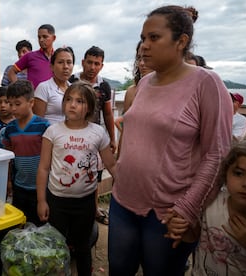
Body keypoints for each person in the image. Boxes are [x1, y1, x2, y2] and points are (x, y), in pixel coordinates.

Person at [108, 5, 233, 275]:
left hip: (168, 212)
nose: (144, 46)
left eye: (154, 38)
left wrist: (188, 209)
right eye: (143, 39)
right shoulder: (143, 83)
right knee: (119, 269)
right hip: (123, 200)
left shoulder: (207, 83)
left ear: (181, 41)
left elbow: (218, 153)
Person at [36, 81, 116, 275]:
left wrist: (126, 187)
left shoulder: (97, 132)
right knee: (56, 245)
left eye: (79, 101)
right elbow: (44, 168)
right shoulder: (53, 131)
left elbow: (111, 165)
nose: (72, 104)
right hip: (57, 201)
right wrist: (41, 201)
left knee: (83, 246)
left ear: (89, 107)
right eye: (68, 100)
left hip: (85, 203)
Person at [165, 136, 246, 275]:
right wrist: (181, 229)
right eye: (239, 173)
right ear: (225, 173)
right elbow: (194, 235)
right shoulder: (212, 202)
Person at [69, 46, 116, 225]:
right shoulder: (72, 81)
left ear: (101, 66)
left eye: (97, 63)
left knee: (94, 174)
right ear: (83, 62)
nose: (92, 67)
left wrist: (112, 139)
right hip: (72, 135)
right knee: (72, 170)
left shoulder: (104, 85)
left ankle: (94, 208)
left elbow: (109, 114)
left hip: (95, 138)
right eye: (89, 62)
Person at [2, 80, 50, 226]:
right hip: (19, 188)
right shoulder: (9, 130)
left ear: (31, 102)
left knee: (40, 227)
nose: (13, 108)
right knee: (20, 226)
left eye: (18, 104)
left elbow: (50, 159)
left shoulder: (44, 126)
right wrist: (9, 181)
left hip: (42, 190)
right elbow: (8, 158)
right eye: (10, 104)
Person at [114, 41, 153, 159]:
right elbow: (125, 130)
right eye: (139, 58)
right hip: (132, 155)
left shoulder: (169, 92)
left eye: (147, 58)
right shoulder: (131, 92)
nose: (142, 63)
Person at [33, 47, 75, 125]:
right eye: (60, 62)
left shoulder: (74, 89)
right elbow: (37, 122)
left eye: (69, 62)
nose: (65, 66)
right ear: (51, 66)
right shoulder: (44, 87)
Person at [7, 24, 56, 89]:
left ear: (53, 38)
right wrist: (20, 91)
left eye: (45, 37)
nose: (41, 40)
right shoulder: (30, 56)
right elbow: (11, 72)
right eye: (39, 37)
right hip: (34, 98)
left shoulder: (58, 58)